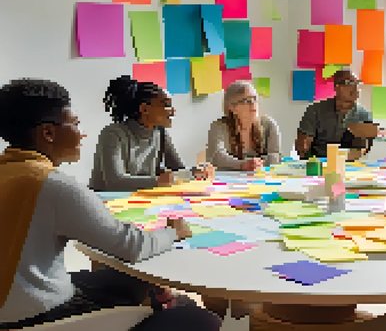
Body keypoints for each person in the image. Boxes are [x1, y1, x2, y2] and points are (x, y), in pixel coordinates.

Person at [0, 79, 222, 330]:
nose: (82, 133)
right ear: (48, 133)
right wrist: (175, 231)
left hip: (16, 301)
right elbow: (131, 246)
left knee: (138, 281)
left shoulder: (9, 170)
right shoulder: (53, 184)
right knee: (202, 319)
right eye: (75, 123)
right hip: (37, 315)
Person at [90, 75, 213, 191]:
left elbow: (178, 170)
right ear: (144, 109)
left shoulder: (160, 132)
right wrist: (157, 181)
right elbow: (115, 182)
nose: (173, 111)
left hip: (139, 200)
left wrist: (195, 172)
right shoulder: (112, 134)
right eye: (166, 105)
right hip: (106, 202)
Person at [295, 69, 378, 161]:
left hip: (347, 165)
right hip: (317, 163)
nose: (355, 87)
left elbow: (362, 149)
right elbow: (302, 146)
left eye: (357, 83)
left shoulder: (364, 116)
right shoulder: (315, 110)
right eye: (349, 83)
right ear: (336, 87)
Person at [207, 81, 281, 171]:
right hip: (229, 181)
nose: (253, 104)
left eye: (255, 99)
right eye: (246, 101)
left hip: (261, 180)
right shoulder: (218, 126)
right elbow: (217, 157)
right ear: (232, 108)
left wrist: (257, 164)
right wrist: (243, 165)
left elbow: (275, 156)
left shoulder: (269, 125)